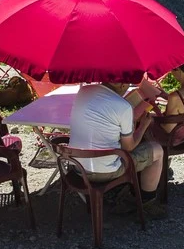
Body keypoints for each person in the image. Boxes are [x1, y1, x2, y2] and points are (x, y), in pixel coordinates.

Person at [68, 81, 165, 217]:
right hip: (104, 172)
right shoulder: (123, 106)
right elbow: (129, 147)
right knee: (157, 150)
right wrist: (143, 125)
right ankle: (146, 202)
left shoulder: (83, 92)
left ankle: (128, 191)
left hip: (77, 167)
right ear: (122, 85)